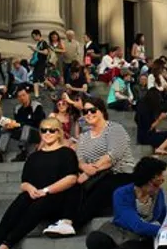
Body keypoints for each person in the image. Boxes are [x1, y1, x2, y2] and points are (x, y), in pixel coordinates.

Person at [0, 118, 79, 249]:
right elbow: (24, 182)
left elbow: (71, 178)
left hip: (56, 197)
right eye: (44, 130)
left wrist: (46, 190)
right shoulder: (34, 156)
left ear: (59, 132)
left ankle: (8, 243)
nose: (47, 133)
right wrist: (30, 189)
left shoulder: (67, 153)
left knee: (40, 203)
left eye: (52, 130)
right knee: (21, 200)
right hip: (36, 194)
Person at [42, 98, 135, 237]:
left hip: (120, 173)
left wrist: (93, 169)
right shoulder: (84, 136)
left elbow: (112, 156)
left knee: (103, 185)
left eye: (93, 110)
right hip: (94, 176)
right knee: (74, 184)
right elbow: (79, 159)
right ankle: (64, 220)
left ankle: (73, 223)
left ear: (102, 111)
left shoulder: (115, 129)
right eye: (85, 111)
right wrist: (85, 169)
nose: (89, 114)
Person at [0, 86, 47, 162]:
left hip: (36, 132)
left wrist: (18, 124)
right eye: (19, 96)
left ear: (28, 95)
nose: (22, 98)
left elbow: (36, 122)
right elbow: (18, 123)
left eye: (23, 95)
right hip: (22, 131)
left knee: (26, 127)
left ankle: (23, 150)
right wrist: (11, 125)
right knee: (6, 129)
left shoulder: (37, 106)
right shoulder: (17, 108)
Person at [135, 88, 167, 156]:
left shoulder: (142, 106)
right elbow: (149, 127)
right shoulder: (146, 111)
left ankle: (159, 147)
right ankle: (160, 148)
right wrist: (160, 119)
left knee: (164, 132)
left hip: (142, 136)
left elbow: (137, 120)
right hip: (146, 138)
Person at [29, 29, 50, 97]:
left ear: (38, 35)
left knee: (40, 78)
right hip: (37, 63)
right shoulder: (38, 43)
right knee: (36, 78)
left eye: (34, 36)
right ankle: (36, 94)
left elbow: (46, 52)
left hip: (42, 63)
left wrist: (36, 50)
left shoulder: (44, 43)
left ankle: (52, 87)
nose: (34, 38)